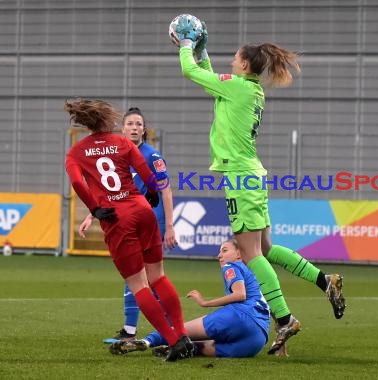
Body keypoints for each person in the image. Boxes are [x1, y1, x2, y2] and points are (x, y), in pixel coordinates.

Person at [171, 15, 346, 354]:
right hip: (253, 174)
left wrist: (187, 47)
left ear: (245, 64)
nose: (231, 62)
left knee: (250, 254)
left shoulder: (236, 87)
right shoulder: (248, 89)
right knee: (264, 249)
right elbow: (210, 80)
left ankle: (283, 319)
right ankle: (325, 280)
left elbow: (191, 74)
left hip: (240, 176)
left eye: (235, 58)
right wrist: (203, 52)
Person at [64, 98, 193, 362]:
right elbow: (145, 171)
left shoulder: (76, 152)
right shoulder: (122, 142)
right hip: (141, 209)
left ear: (85, 123)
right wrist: (153, 195)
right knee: (158, 277)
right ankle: (182, 336)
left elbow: (77, 182)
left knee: (138, 285)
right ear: (108, 120)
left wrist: (95, 208)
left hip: (117, 219)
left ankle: (173, 342)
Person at [78, 107, 177, 343]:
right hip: (128, 220)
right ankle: (139, 330)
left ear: (144, 129)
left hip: (149, 221)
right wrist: (91, 215)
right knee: (136, 276)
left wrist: (170, 226)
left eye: (138, 124)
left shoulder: (152, 156)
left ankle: (164, 329)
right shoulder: (117, 153)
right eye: (130, 124)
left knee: (148, 278)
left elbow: (165, 191)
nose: (134, 128)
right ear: (122, 128)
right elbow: (106, 191)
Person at [109, 239, 270, 358]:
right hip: (257, 340)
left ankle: (146, 341)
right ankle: (183, 349)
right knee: (204, 349)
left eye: (225, 250)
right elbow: (270, 307)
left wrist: (204, 302)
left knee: (179, 332)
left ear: (239, 255)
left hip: (240, 317)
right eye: (219, 251)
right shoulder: (251, 276)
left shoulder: (231, 267)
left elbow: (240, 294)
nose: (219, 255)